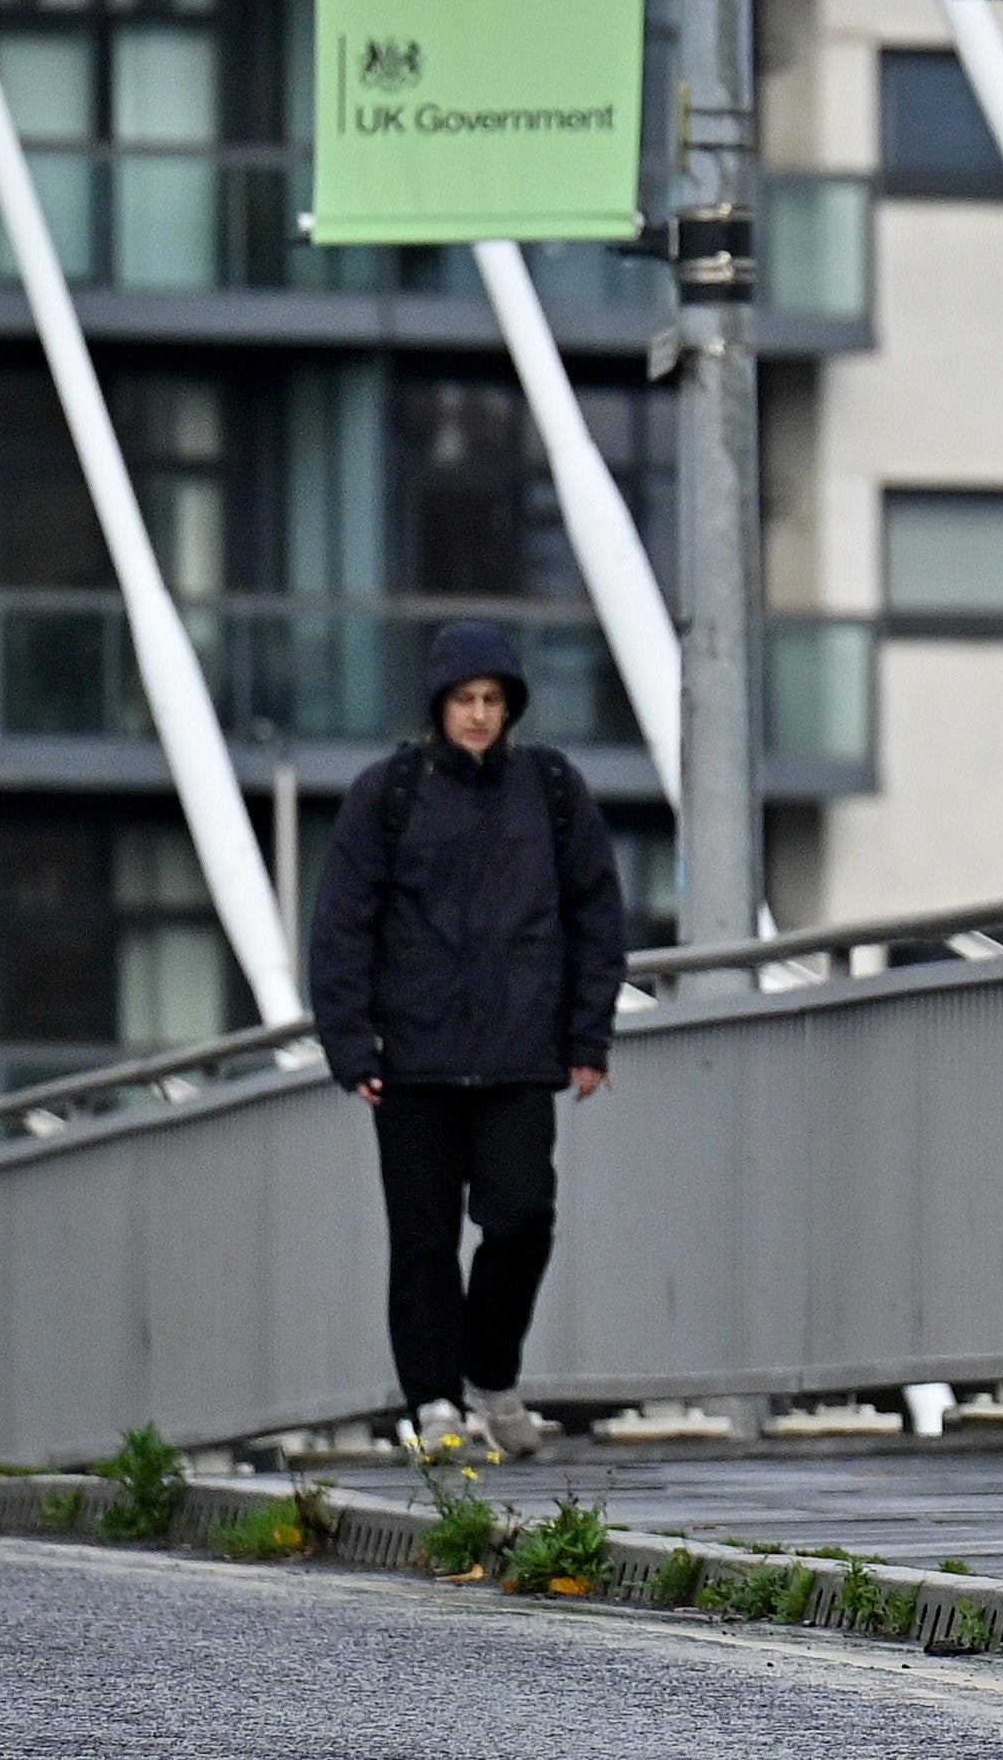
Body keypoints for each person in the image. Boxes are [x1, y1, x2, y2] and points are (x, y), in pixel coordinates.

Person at [301, 615, 628, 1458]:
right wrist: (350, 1044)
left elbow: (597, 915)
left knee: (523, 1218)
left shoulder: (552, 790)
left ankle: (489, 1371)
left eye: (492, 699)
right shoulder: (390, 792)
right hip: (411, 1061)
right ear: (438, 705)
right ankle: (434, 1402)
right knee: (423, 1241)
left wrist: (588, 1037)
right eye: (463, 699)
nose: (478, 715)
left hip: (521, 1057)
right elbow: (342, 923)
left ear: (510, 705)